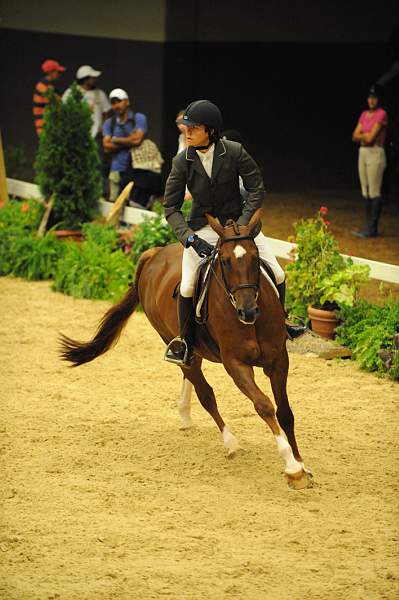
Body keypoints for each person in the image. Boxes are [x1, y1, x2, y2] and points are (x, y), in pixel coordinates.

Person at [162, 99, 306, 366]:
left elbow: (257, 189)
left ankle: (281, 324)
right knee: (188, 284)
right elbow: (170, 207)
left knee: (277, 272)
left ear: (211, 130)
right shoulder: (182, 161)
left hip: (240, 226)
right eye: (186, 127)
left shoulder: (235, 152)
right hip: (203, 228)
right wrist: (189, 239)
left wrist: (243, 223)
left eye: (193, 127)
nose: (187, 132)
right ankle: (185, 344)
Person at [352, 84, 388, 237]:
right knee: (365, 190)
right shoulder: (364, 114)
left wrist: (364, 136)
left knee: (374, 191)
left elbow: (371, 137)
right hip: (364, 152)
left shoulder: (382, 114)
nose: (371, 100)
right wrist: (364, 137)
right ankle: (367, 226)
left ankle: (372, 228)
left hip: (375, 152)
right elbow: (354, 135)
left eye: (374, 97)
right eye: (370, 97)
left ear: (378, 99)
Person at [102, 88, 148, 202]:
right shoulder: (109, 123)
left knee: (134, 204)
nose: (116, 105)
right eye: (113, 103)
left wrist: (116, 139)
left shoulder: (139, 118)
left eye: (119, 101)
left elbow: (137, 140)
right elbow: (106, 145)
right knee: (114, 203)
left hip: (137, 168)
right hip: (116, 169)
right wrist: (129, 141)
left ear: (127, 101)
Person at [62, 65, 111, 139]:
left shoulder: (100, 93)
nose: (95, 79)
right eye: (92, 78)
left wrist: (103, 127)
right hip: (76, 135)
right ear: (85, 79)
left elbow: (106, 112)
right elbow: (63, 111)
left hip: (96, 135)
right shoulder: (70, 93)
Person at [33, 59, 66, 136]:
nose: (59, 74)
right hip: (45, 127)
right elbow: (57, 103)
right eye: (58, 72)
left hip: (51, 126)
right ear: (50, 72)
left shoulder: (51, 86)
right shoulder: (42, 87)